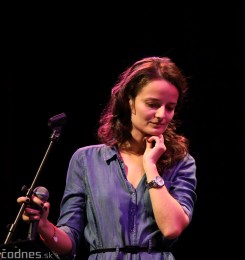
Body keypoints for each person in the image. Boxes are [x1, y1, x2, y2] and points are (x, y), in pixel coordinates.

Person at [17, 56, 197, 260]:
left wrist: (150, 165)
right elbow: (68, 244)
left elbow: (172, 228)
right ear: (130, 101)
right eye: (152, 104)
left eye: (170, 107)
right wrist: (44, 226)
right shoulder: (86, 160)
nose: (162, 115)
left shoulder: (181, 161)